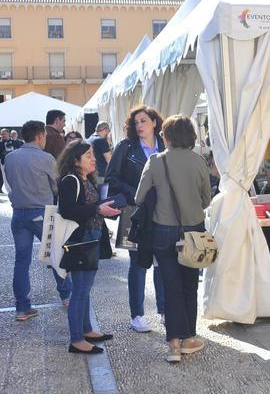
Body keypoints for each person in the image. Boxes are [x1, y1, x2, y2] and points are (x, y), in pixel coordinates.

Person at [135, 115, 212, 363]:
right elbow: (206, 200)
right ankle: (189, 337)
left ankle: (174, 344)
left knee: (171, 286)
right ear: (191, 136)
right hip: (193, 230)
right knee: (190, 284)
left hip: (163, 231)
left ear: (166, 136)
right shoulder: (199, 161)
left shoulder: (155, 161)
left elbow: (139, 197)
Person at [57, 140, 121, 354]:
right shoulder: (70, 180)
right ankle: (76, 340)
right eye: (88, 155)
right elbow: (67, 211)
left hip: (90, 239)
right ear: (76, 160)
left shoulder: (87, 179)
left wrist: (107, 210)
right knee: (79, 291)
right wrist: (97, 208)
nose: (93, 159)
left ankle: (86, 330)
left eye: (92, 154)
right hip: (79, 241)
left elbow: (93, 210)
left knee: (84, 290)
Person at [106, 106, 166, 333]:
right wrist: (136, 193)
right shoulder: (125, 147)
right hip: (134, 211)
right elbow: (112, 178)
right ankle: (137, 315)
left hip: (162, 212)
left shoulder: (165, 146)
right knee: (138, 264)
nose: (139, 125)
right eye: (136, 122)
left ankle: (163, 311)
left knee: (162, 262)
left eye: (143, 120)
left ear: (154, 122)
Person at [4, 120, 72, 320]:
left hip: (18, 213)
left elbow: (9, 183)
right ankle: (66, 295)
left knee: (21, 261)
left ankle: (22, 307)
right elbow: (56, 185)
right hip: (42, 212)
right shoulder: (46, 158)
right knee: (56, 254)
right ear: (40, 136)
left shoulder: (10, 157)